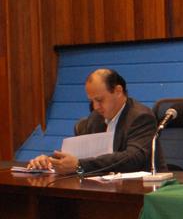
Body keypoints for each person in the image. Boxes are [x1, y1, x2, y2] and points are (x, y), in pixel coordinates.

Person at [26, 69, 157, 175]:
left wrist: (79, 165)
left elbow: (132, 158)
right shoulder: (96, 118)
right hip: (103, 187)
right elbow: (77, 153)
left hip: (140, 190)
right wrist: (50, 161)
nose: (95, 107)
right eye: (92, 101)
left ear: (118, 91)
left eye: (99, 100)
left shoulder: (140, 117)